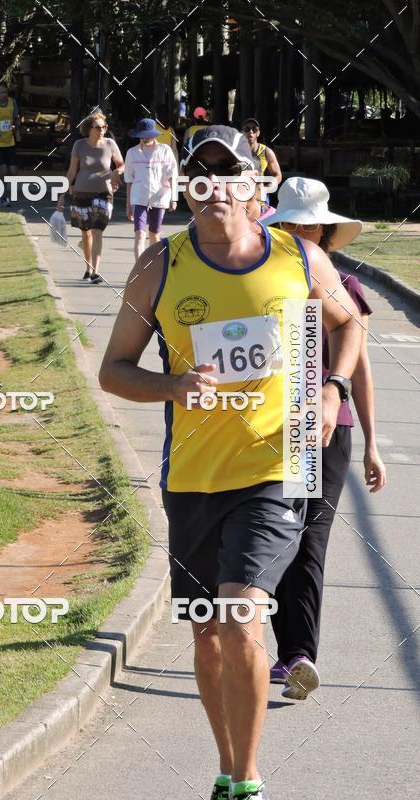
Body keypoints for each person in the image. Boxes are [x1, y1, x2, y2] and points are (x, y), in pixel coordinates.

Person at [99, 125, 362, 800]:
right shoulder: (160, 265)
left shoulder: (298, 260)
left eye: (230, 174)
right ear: (187, 186)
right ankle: (226, 763)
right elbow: (114, 370)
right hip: (192, 477)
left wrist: (332, 388)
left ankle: (246, 782)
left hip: (277, 466)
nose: (216, 186)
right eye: (202, 174)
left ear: (254, 188)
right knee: (208, 633)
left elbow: (348, 323)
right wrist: (172, 386)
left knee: (242, 613)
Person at [264, 177, 387, 699]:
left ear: (325, 229)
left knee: (309, 538)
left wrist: (372, 445)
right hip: (270, 426)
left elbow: (360, 372)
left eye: (307, 223)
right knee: (274, 539)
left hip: (325, 431)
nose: (298, 231)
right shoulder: (262, 281)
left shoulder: (346, 291)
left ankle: (298, 656)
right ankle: (282, 649)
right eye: (288, 222)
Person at [55, 111, 124, 284]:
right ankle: (88, 268)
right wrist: (61, 196)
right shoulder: (79, 145)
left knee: (97, 230)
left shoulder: (110, 144)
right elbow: (72, 172)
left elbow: (122, 164)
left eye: (104, 127)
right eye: (98, 127)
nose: (101, 130)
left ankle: (95, 272)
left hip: (104, 192)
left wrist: (117, 172)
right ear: (89, 129)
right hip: (81, 192)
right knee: (86, 233)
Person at [124, 118, 177, 260]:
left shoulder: (165, 150)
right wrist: (128, 204)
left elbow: (173, 175)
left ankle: (155, 265)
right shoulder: (132, 153)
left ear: (154, 135)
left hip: (160, 197)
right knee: (140, 233)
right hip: (139, 197)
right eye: (143, 135)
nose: (146, 138)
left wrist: (174, 198)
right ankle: (139, 269)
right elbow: (129, 180)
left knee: (154, 233)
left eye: (148, 135)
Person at [241, 118, 282, 185]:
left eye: (254, 129)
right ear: (242, 133)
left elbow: (278, 175)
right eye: (247, 129)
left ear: (258, 133)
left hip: (259, 191)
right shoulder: (237, 151)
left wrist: (268, 187)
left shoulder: (266, 152)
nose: (251, 132)